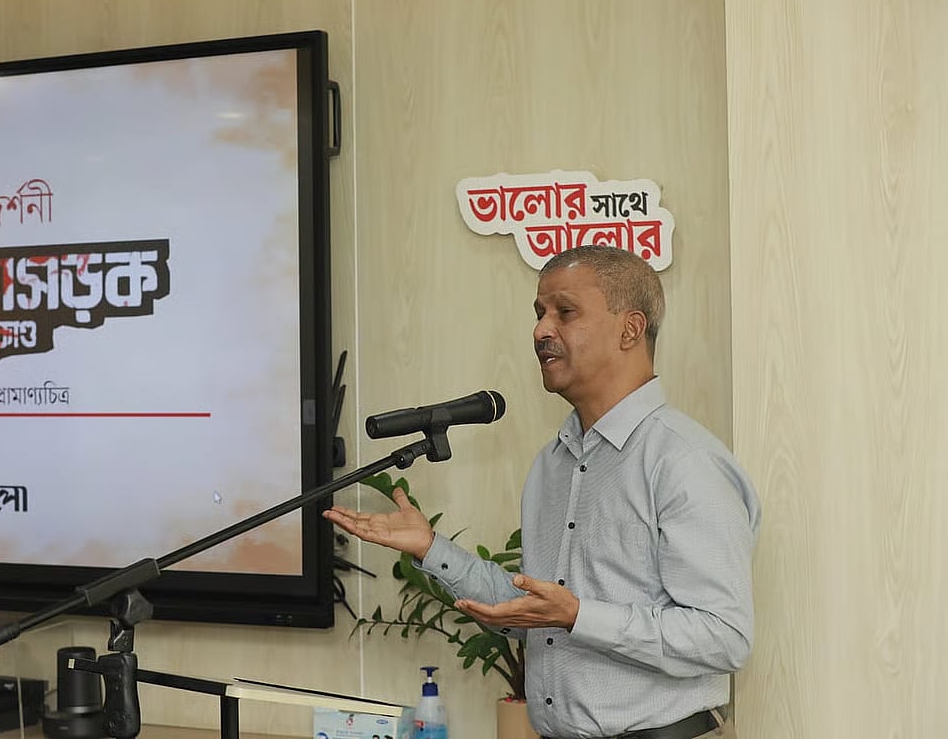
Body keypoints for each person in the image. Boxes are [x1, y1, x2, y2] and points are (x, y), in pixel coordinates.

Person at [324, 245, 760, 739]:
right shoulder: (552, 463)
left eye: (565, 312)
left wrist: (579, 615)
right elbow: (537, 616)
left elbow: (724, 638)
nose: (540, 330)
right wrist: (430, 549)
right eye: (539, 313)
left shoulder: (684, 462)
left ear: (630, 329)